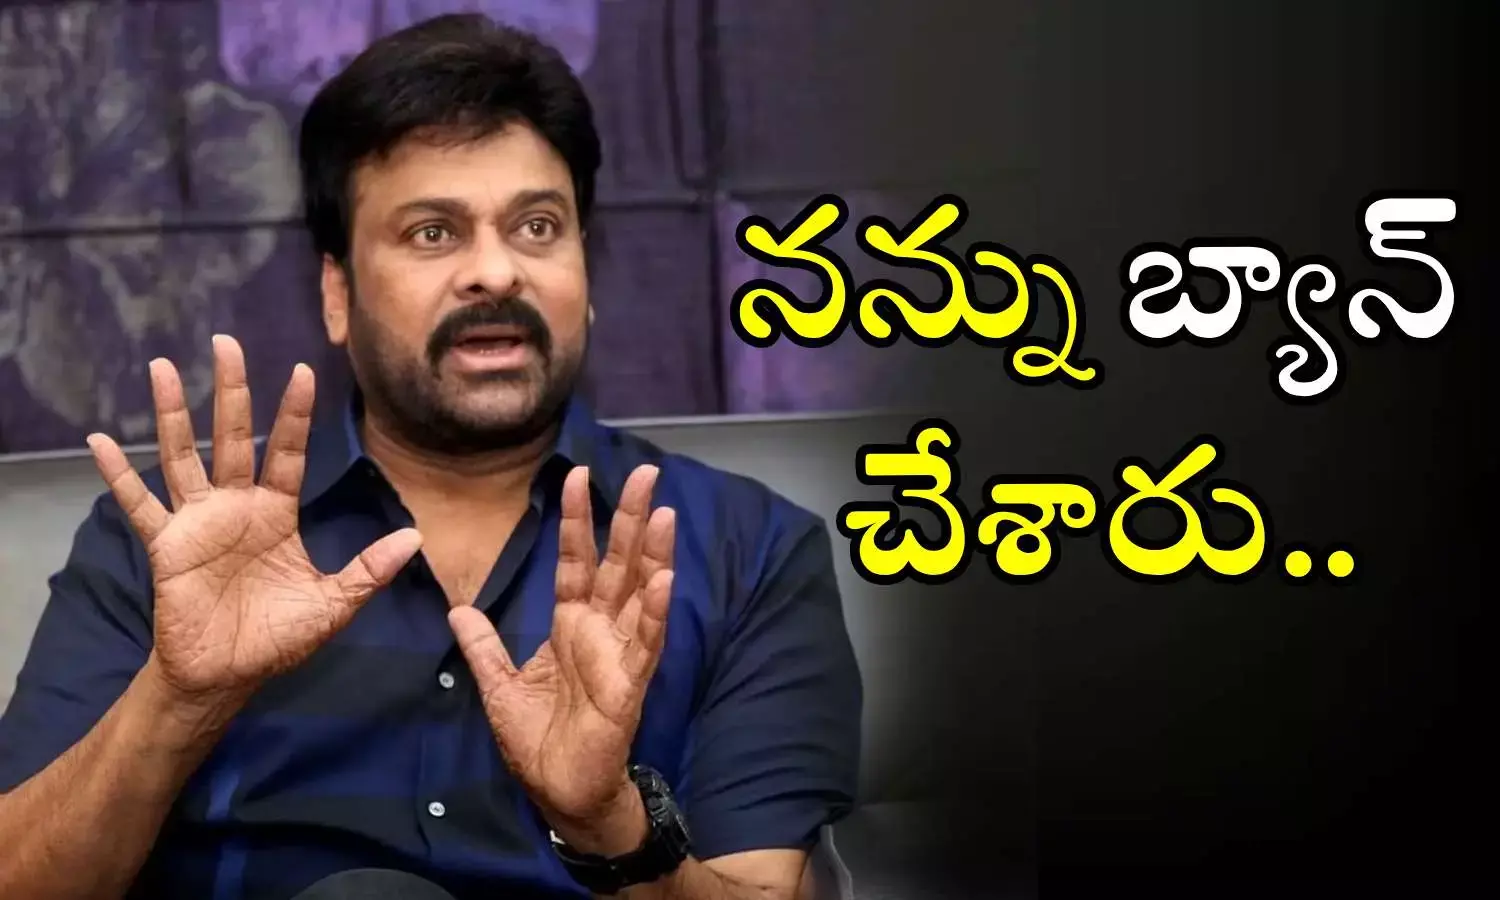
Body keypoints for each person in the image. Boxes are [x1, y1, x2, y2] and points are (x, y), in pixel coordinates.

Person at [0, 14, 862, 900]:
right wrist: (178, 700)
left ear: (587, 274)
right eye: (433, 233)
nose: (497, 272)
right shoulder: (174, 542)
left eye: (537, 226)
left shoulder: (748, 550)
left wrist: (608, 823)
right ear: (337, 294)